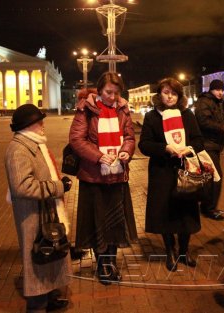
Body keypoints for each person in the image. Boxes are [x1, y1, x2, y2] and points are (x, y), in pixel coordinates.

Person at [69, 72, 137, 285]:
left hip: (117, 176)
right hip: (94, 177)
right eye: (109, 92)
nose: (112, 97)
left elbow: (129, 137)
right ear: (99, 90)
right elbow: (76, 140)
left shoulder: (123, 109)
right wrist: (99, 157)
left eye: (117, 93)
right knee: (98, 222)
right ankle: (102, 264)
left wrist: (126, 151)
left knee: (116, 222)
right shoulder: (86, 109)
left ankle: (111, 261)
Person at [4, 104, 72, 313]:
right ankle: (37, 305)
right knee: (36, 257)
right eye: (39, 122)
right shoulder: (18, 150)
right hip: (32, 215)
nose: (43, 125)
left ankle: (49, 296)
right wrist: (57, 187)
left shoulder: (34, 144)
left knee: (49, 253)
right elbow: (22, 186)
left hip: (44, 211)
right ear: (29, 125)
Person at [138, 78, 205, 272]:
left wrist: (189, 149)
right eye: (166, 92)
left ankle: (184, 251)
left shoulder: (187, 115)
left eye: (174, 93)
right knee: (165, 213)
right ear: (159, 94)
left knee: (185, 212)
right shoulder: (152, 117)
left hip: (185, 170)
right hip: (162, 171)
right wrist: (165, 148)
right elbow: (144, 144)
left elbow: (199, 140)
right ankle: (170, 251)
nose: (169, 96)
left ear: (179, 96)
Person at [194, 79, 224, 220]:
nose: (220, 92)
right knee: (216, 177)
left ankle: (206, 206)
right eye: (217, 90)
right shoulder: (205, 102)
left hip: (214, 145)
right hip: (207, 145)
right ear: (211, 90)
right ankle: (209, 208)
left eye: (222, 90)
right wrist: (222, 127)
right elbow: (203, 122)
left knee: (210, 178)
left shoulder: (216, 102)